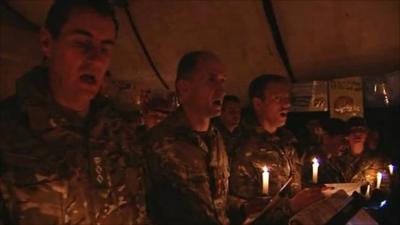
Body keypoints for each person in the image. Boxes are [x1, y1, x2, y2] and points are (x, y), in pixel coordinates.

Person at [0, 1, 149, 224]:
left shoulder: (119, 133)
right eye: (82, 43)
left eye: (105, 48)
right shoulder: (9, 132)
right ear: (47, 42)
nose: (97, 60)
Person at [145, 51, 230, 225]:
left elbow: (217, 202)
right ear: (184, 87)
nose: (222, 90)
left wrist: (244, 208)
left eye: (222, 81)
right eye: (211, 80)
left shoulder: (216, 138)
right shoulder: (161, 142)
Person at [229, 74, 325, 225]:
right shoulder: (240, 146)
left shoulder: (287, 141)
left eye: (287, 98)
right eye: (277, 98)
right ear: (258, 104)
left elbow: (293, 186)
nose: (286, 104)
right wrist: (290, 206)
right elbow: (241, 210)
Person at [301, 118, 348, 185]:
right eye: (342, 140)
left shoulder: (336, 162)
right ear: (327, 138)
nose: (346, 145)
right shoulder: (311, 161)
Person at [212, 95, 244, 159]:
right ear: (221, 113)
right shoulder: (214, 135)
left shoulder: (242, 133)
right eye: (231, 111)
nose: (236, 115)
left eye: (238, 111)